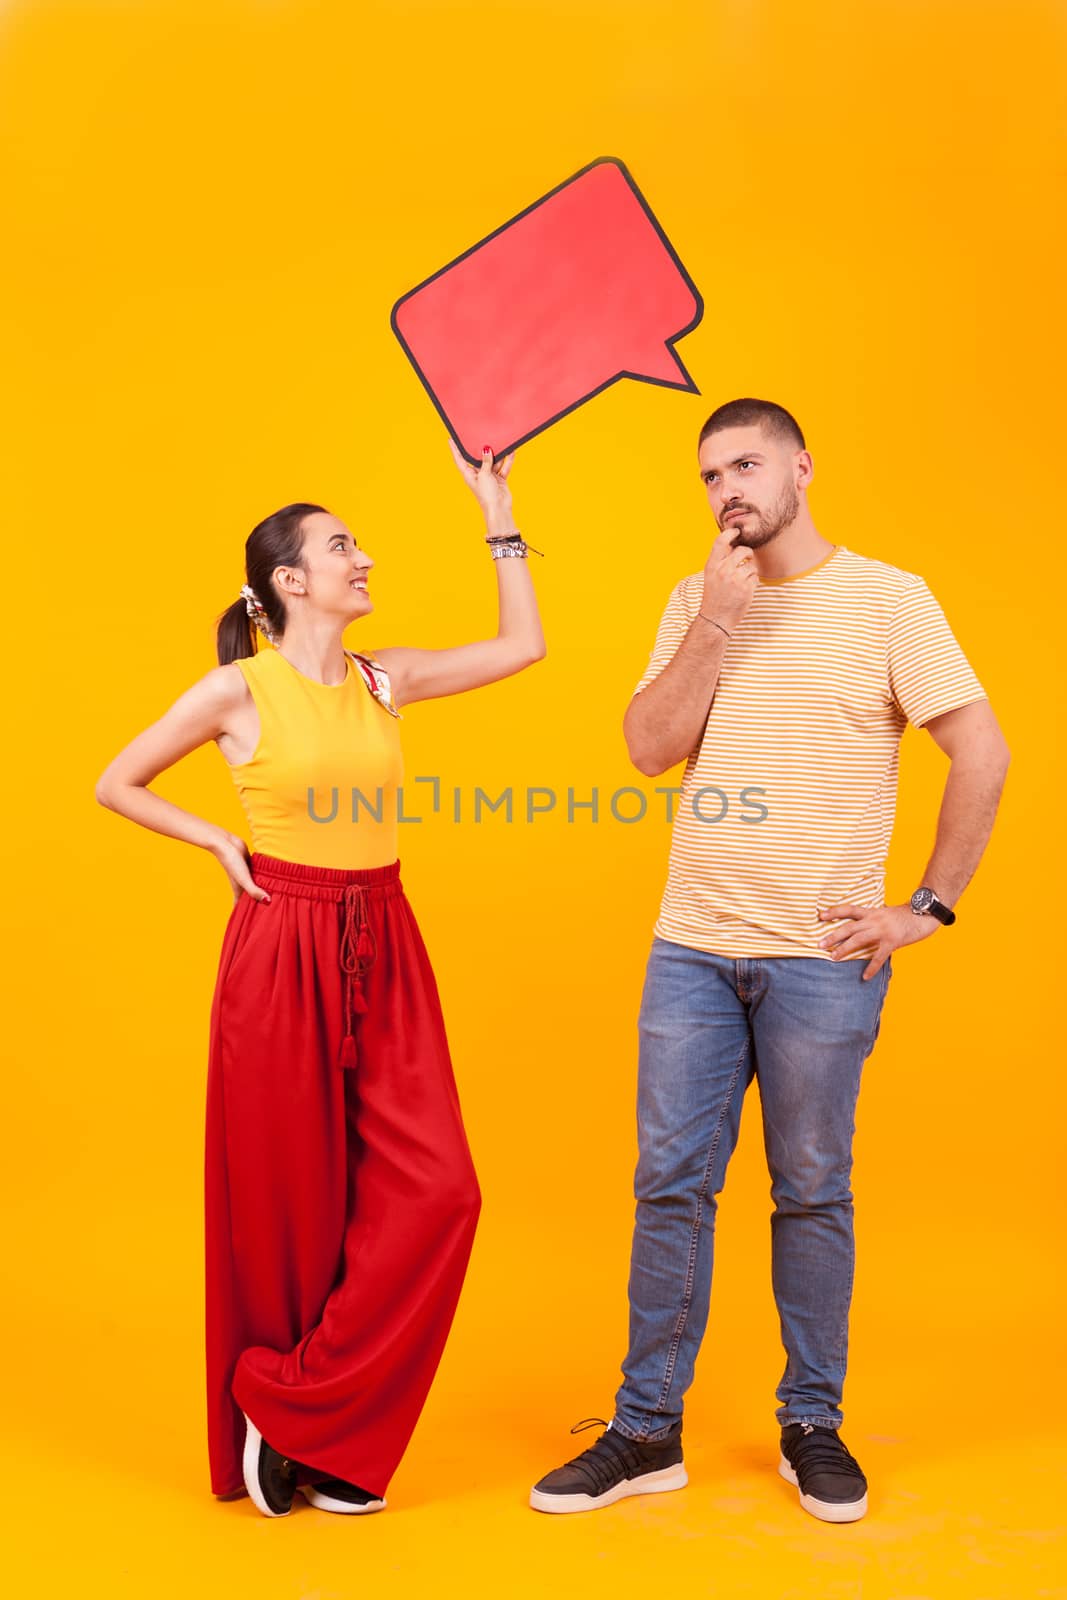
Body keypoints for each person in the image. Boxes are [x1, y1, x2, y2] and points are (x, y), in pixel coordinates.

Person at [530, 397, 1009, 1523]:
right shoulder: (697, 601)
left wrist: (924, 908)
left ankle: (811, 1422)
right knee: (667, 1190)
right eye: (708, 476)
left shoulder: (889, 599)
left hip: (816, 958)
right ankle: (643, 1431)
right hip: (690, 948)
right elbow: (647, 749)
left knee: (809, 1192)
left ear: (801, 465)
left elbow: (978, 750)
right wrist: (713, 624)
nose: (726, 490)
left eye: (744, 464)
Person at [95, 439, 545, 1516]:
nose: (365, 557)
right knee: (290, 1201)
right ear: (289, 582)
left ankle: (296, 1401)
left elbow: (523, 644)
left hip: (383, 936)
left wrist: (499, 513)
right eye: (343, 545)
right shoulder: (234, 688)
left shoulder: (387, 678)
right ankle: (305, 1447)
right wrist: (214, 841)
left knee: (438, 1189)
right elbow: (116, 781)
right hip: (280, 941)